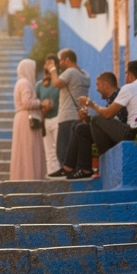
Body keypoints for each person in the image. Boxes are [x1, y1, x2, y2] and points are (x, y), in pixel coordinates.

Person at [80, 60, 137, 157]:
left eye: (126, 73)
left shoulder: (129, 88)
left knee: (96, 120)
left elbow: (108, 114)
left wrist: (90, 103)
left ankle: (106, 159)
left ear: (130, 75)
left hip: (135, 134)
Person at [60, 71, 126, 179]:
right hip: (111, 132)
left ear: (105, 84)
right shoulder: (111, 99)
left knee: (81, 128)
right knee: (78, 125)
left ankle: (83, 169)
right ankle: (70, 167)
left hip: (118, 134)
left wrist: (90, 104)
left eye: (97, 84)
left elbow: (113, 120)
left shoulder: (118, 96)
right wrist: (87, 118)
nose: (97, 89)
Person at [45, 48, 89, 178]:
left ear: (68, 60)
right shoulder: (85, 74)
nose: (59, 64)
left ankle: (67, 170)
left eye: (60, 61)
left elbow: (56, 83)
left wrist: (52, 70)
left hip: (67, 116)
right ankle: (72, 170)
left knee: (63, 150)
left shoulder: (70, 72)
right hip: (79, 114)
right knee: (73, 147)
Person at [9, 58, 46, 180]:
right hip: (27, 119)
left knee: (23, 150)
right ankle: (30, 177)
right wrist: (41, 103)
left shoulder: (20, 82)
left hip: (22, 118)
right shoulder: (25, 83)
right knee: (29, 149)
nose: (34, 72)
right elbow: (26, 102)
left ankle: (22, 176)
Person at [36, 53, 61, 175]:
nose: (48, 65)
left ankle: (58, 175)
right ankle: (51, 175)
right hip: (45, 119)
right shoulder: (39, 85)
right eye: (47, 63)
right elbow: (36, 102)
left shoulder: (59, 81)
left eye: (51, 63)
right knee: (48, 152)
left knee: (58, 149)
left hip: (58, 117)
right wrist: (43, 105)